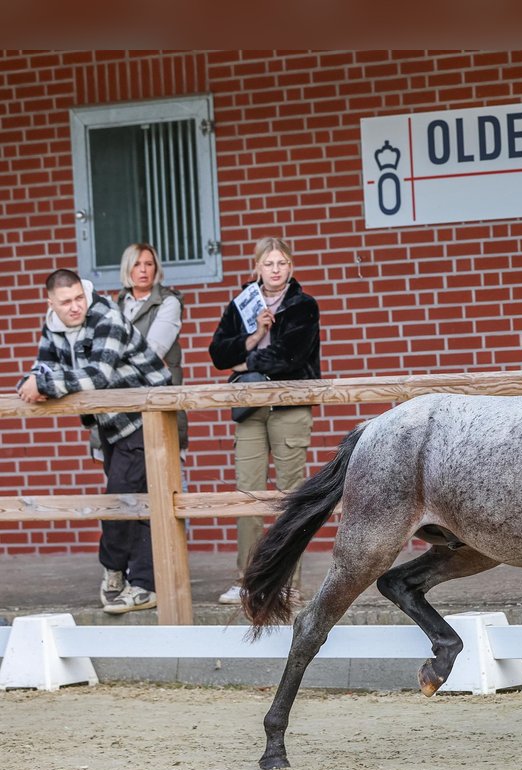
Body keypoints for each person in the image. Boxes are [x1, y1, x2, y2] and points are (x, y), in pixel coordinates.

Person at [17, 269, 172, 614]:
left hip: (145, 415)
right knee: (131, 499)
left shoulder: (107, 316)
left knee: (122, 497)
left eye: (78, 298)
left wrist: (43, 385)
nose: (74, 307)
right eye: (65, 302)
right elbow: (42, 368)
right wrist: (30, 382)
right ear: (51, 303)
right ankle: (132, 578)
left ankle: (134, 579)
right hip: (110, 424)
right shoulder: (53, 325)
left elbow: (97, 375)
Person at [208, 237, 321, 605]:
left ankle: (286, 582)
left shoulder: (303, 305)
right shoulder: (242, 304)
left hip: (289, 406)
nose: (275, 269)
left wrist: (246, 362)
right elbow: (218, 353)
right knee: (249, 494)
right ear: (257, 266)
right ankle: (246, 580)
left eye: (282, 263)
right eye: (269, 263)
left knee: (291, 497)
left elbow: (290, 357)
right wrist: (254, 334)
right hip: (250, 407)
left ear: (291, 267)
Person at [114, 243, 187, 450]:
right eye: (137, 264)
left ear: (156, 268)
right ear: (128, 269)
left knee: (169, 477)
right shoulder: (116, 305)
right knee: (123, 480)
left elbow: (152, 354)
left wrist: (113, 360)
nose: (143, 270)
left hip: (158, 398)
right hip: (121, 409)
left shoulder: (169, 302)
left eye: (149, 264)